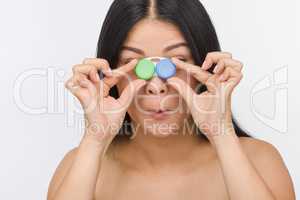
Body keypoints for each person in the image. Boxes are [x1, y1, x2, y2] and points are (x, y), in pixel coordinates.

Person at [47, 0, 295, 199]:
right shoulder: (79, 167)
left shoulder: (259, 161)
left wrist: (221, 133)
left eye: (176, 62)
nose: (156, 86)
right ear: (110, 72)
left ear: (204, 67)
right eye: (135, 64)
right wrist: (95, 139)